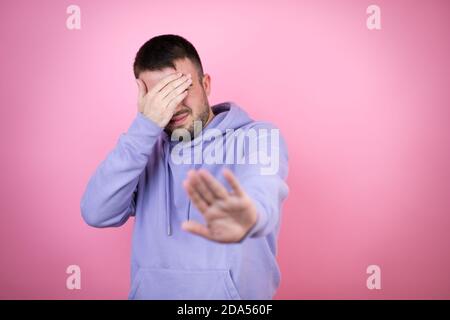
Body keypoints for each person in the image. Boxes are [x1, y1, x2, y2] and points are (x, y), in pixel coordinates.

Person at [80, 34, 289, 299]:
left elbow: (263, 190)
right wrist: (144, 127)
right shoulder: (141, 153)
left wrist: (248, 216)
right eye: (161, 96)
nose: (175, 105)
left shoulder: (258, 138)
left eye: (181, 88)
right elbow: (96, 212)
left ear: (206, 84)